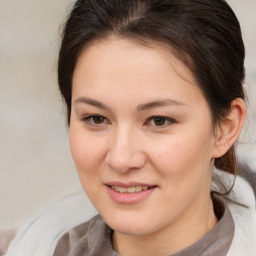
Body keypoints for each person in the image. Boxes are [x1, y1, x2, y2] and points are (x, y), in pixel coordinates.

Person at [4, 0, 256, 255]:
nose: (121, 159)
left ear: (225, 128)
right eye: (96, 118)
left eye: (159, 120)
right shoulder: (34, 245)